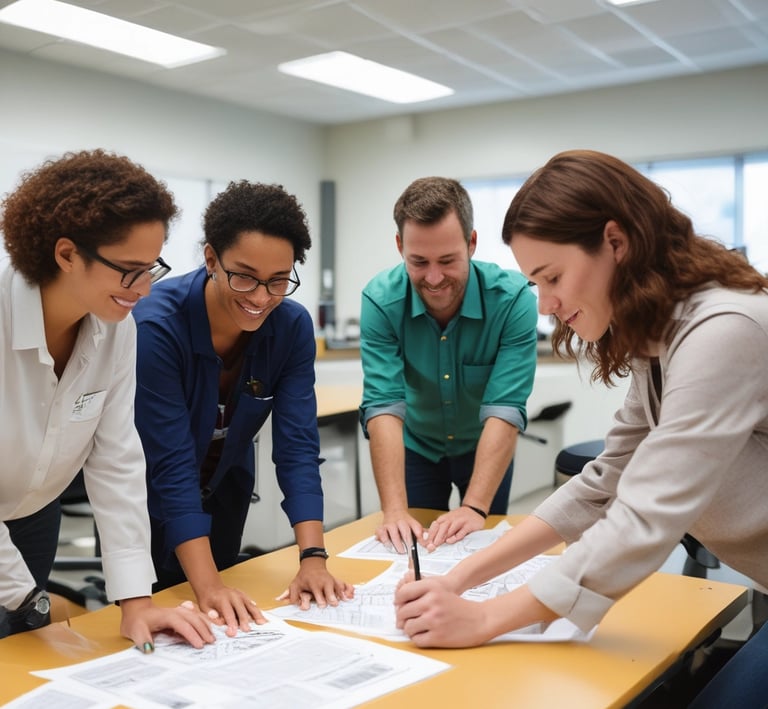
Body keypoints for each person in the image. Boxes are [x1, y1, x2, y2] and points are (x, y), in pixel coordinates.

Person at [394, 150, 768, 663]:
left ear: (615, 242)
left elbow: (644, 516)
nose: (545, 305)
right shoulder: (657, 340)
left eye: (552, 277)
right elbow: (604, 481)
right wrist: (458, 579)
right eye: (535, 284)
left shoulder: (724, 330)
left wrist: (485, 617)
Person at [0, 149, 214, 651]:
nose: (143, 289)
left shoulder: (117, 330)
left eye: (152, 268)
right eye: (128, 271)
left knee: (20, 658)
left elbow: (116, 461)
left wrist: (136, 600)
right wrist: (27, 599)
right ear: (67, 254)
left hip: (33, 511)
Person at [133, 180, 354, 635]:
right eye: (245, 276)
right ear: (211, 259)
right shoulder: (155, 325)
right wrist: (208, 584)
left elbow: (296, 447)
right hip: (144, 503)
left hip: (224, 492)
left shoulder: (290, 327)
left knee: (219, 631)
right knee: (158, 624)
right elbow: (169, 463)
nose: (260, 298)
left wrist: (313, 558)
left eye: (278, 280)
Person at [359, 176, 538, 554]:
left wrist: (474, 507)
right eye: (418, 262)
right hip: (417, 448)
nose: (434, 278)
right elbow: (383, 405)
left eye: (448, 261)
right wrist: (392, 511)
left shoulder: (513, 300)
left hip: (485, 445)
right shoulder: (380, 301)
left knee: (478, 551)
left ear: (472, 244)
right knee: (414, 553)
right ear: (399, 246)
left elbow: (505, 408)